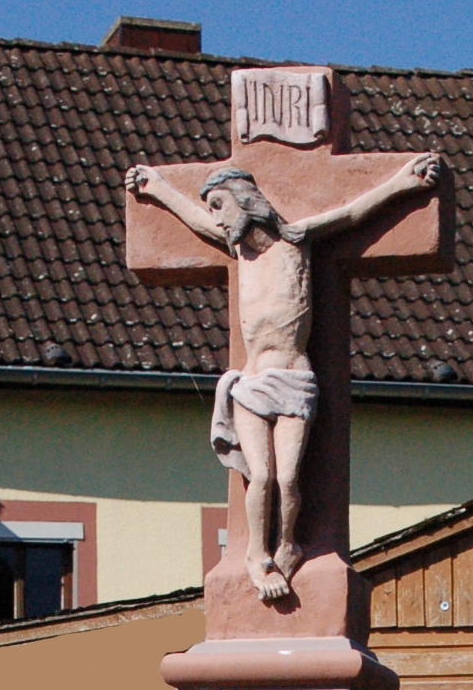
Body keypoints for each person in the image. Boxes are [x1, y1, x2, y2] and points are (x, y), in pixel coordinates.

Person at [125, 152, 441, 603]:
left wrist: (403, 184)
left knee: (290, 478)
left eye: (221, 205)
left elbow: (352, 213)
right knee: (261, 476)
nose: (218, 217)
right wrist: (157, 188)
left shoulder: (297, 240)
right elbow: (195, 221)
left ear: (246, 200)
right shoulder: (238, 250)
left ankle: (288, 543)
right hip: (253, 383)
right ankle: (257, 553)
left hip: (294, 380)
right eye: (213, 208)